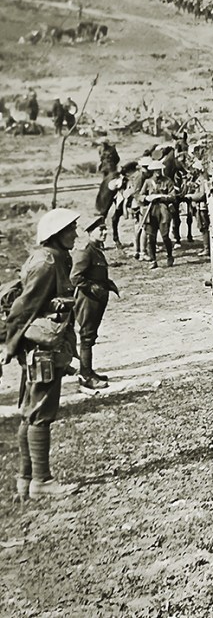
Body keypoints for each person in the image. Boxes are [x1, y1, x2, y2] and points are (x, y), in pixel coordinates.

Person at [3, 208, 82, 498]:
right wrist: (10, 347)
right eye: (70, 229)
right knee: (40, 414)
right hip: (42, 349)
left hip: (43, 347)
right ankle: (42, 482)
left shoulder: (55, 258)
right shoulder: (47, 262)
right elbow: (23, 309)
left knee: (30, 413)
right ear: (56, 235)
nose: (75, 233)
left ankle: (26, 480)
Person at [71, 214, 119, 390]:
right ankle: (85, 376)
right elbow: (75, 277)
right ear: (90, 232)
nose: (105, 232)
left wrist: (107, 285)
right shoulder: (85, 251)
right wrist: (92, 287)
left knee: (90, 336)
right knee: (86, 336)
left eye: (105, 228)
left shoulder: (96, 249)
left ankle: (89, 371)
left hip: (96, 299)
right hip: (88, 299)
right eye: (101, 229)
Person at [140, 160, 176, 269]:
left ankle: (170, 256)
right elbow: (140, 196)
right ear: (152, 171)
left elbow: (173, 196)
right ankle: (153, 260)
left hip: (163, 209)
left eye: (159, 170)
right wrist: (146, 198)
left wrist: (162, 196)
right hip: (151, 211)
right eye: (155, 170)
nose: (157, 172)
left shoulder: (167, 181)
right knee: (151, 237)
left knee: (165, 236)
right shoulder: (147, 182)